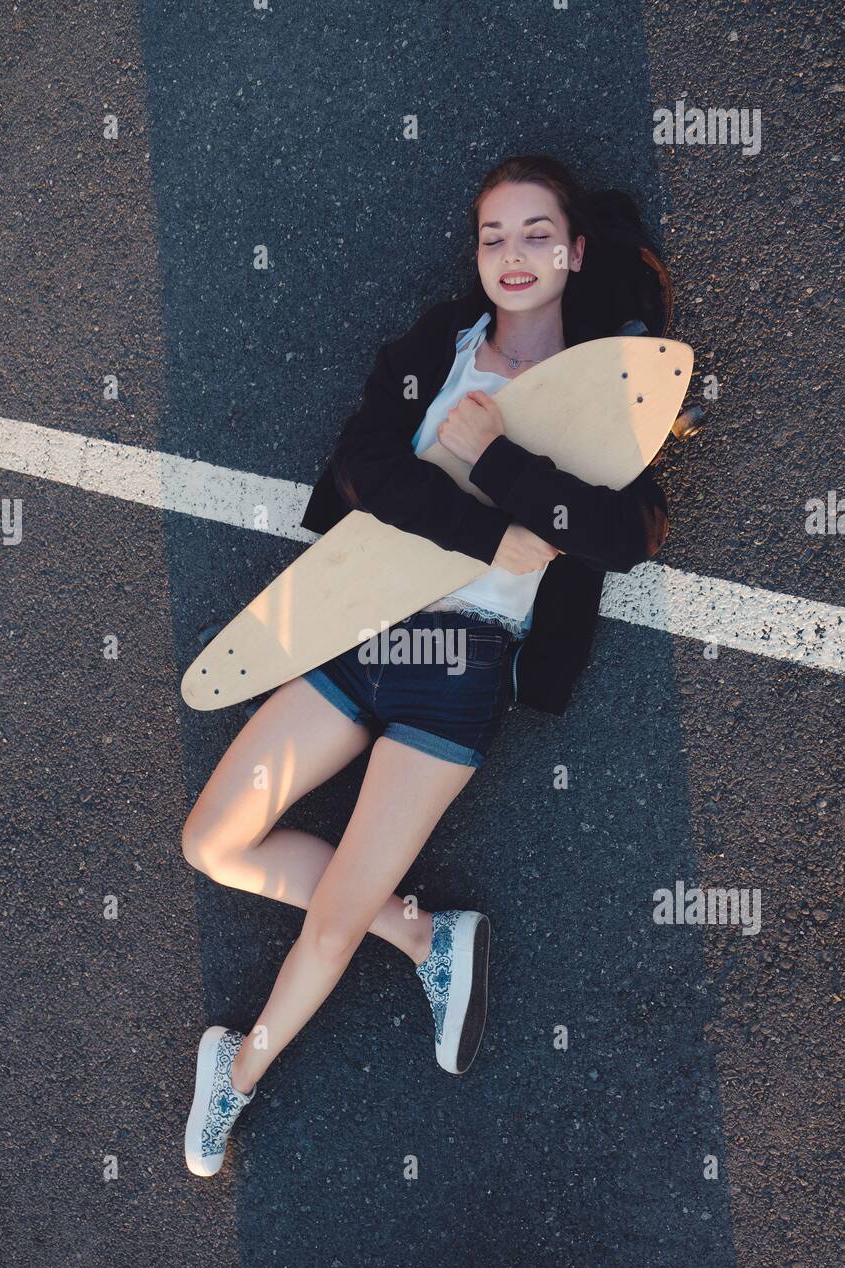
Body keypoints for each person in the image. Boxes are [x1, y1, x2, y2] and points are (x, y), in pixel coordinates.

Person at [181, 154, 672, 1177]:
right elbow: (364, 467)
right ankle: (420, 940)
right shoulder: (432, 351)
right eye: (494, 236)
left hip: (458, 662)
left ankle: (239, 1070)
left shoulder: (600, 389)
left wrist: (499, 460)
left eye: (536, 233)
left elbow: (620, 534)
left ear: (575, 253)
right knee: (211, 840)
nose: (512, 255)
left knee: (326, 923)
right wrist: (492, 533)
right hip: (362, 626)